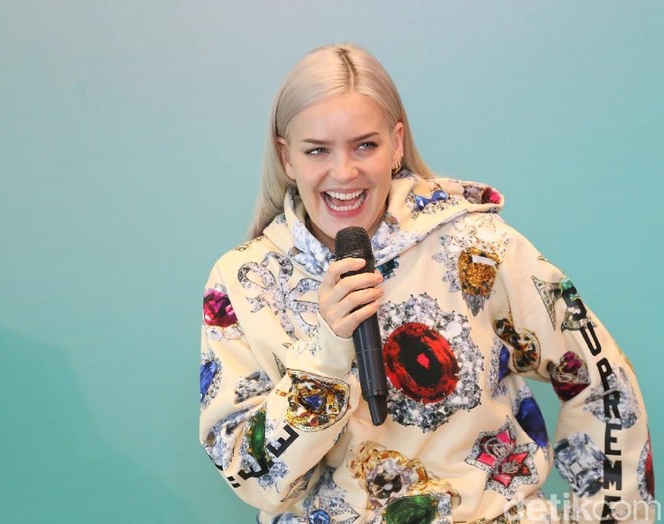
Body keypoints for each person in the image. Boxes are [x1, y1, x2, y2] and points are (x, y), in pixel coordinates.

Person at [199, 44, 655, 523]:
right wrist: (325, 360)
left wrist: (611, 516)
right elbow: (256, 481)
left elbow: (603, 380)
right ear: (286, 156)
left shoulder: (476, 247)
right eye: (317, 150)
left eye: (365, 145)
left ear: (396, 144)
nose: (344, 172)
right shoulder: (244, 284)